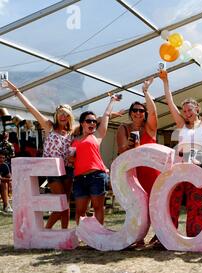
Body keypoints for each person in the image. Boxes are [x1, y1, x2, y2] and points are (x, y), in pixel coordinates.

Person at [159, 66, 202, 244]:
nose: (187, 113)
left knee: (194, 204)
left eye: (190, 110)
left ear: (197, 108)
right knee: (173, 202)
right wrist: (166, 82)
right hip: (179, 167)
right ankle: (166, 236)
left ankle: (194, 236)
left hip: (196, 168)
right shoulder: (181, 124)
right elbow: (170, 102)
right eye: (185, 111)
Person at [4, 80, 74, 229]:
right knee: (60, 202)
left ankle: (65, 233)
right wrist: (16, 91)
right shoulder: (49, 126)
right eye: (60, 113)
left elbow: (94, 123)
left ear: (69, 116)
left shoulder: (72, 132)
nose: (63, 116)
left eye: (66, 114)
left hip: (68, 169)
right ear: (56, 115)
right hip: (52, 171)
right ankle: (46, 230)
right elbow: (31, 108)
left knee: (66, 202)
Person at [116, 78, 159, 246]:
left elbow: (153, 112)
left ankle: (159, 234)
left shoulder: (150, 128)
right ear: (130, 112)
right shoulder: (123, 128)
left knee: (155, 203)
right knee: (138, 206)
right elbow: (121, 151)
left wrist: (146, 92)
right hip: (134, 172)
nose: (138, 113)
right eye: (135, 110)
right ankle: (138, 236)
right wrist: (129, 145)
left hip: (151, 170)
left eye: (141, 110)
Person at [71, 96, 117, 225]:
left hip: (96, 176)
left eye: (94, 121)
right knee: (80, 210)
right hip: (79, 178)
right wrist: (70, 159)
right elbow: (72, 159)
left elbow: (106, 115)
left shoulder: (97, 136)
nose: (92, 123)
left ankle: (99, 237)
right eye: (88, 121)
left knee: (97, 207)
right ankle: (82, 235)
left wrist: (112, 101)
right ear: (82, 123)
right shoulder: (74, 140)